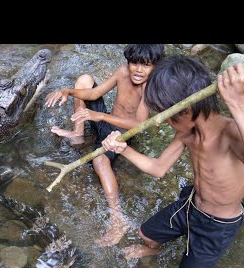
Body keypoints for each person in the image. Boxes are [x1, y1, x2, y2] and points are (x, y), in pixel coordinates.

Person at [101, 55, 244, 268]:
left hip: (216, 226)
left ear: (185, 109)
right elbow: (158, 169)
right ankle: (153, 250)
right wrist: (123, 149)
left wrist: (238, 103)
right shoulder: (187, 131)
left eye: (165, 113)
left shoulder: (231, 133)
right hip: (190, 204)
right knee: (146, 234)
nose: (161, 119)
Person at [45, 44, 165, 246]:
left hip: (123, 132)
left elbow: (140, 124)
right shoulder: (122, 72)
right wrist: (67, 91)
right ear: (128, 62)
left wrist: (99, 115)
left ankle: (117, 220)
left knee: (100, 160)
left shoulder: (148, 87)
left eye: (146, 65)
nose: (138, 69)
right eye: (134, 63)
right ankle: (78, 133)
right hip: (106, 120)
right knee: (85, 80)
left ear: (155, 67)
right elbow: (93, 94)